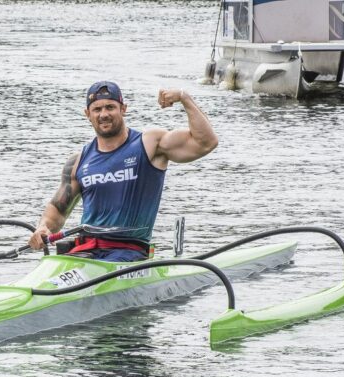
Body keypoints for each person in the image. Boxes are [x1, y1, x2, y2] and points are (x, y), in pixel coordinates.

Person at [28, 81, 218, 261]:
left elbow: (205, 142)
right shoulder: (78, 161)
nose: (104, 114)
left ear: (123, 109)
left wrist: (185, 98)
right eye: (97, 109)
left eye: (110, 107)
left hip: (129, 252)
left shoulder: (150, 144)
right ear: (88, 114)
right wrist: (43, 228)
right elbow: (58, 211)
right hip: (85, 251)